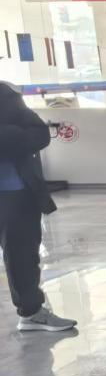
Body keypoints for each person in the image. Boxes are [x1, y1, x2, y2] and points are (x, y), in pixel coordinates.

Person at [0, 82, 72, 332]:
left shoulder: (5, 94)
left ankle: (31, 312)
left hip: (15, 191)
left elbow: (40, 133)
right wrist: (13, 133)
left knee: (22, 256)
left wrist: (6, 135)